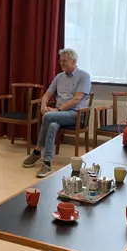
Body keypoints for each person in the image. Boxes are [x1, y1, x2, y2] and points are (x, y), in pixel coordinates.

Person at [22, 49, 91, 178]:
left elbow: (77, 99)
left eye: (64, 61)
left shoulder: (84, 76)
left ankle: (37, 151)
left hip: (76, 114)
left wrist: (58, 110)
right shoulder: (59, 77)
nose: (61, 64)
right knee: (52, 124)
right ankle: (47, 162)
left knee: (48, 116)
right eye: (60, 61)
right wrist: (43, 104)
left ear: (74, 61)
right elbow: (47, 94)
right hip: (59, 115)